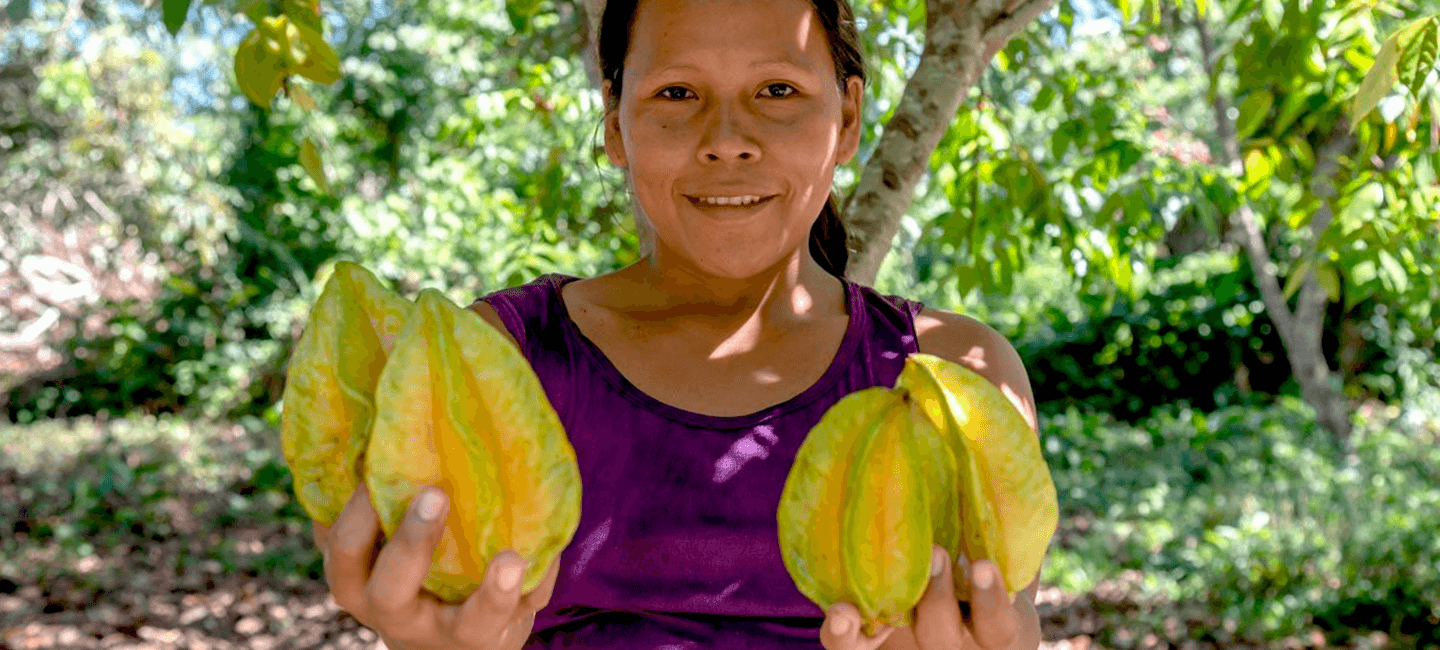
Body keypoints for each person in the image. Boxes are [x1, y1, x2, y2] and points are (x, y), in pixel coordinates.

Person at [310, 0, 1045, 647]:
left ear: (848, 118)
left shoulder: (955, 377)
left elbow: (1002, 620)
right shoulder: (501, 358)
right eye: (678, 92)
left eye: (778, 89)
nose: (727, 139)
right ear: (616, 125)